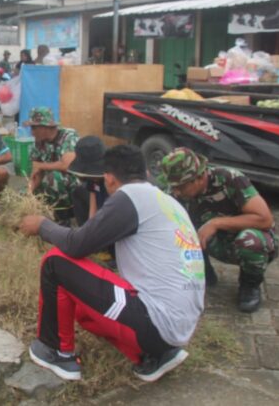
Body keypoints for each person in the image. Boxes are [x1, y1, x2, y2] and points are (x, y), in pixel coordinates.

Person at [18, 145, 204, 383]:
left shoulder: (131, 197)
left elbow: (77, 244)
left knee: (56, 262)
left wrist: (42, 225)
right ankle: (155, 356)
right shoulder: (165, 201)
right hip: (179, 325)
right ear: (146, 172)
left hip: (156, 323)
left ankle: (56, 351)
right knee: (85, 295)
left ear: (109, 179)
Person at [160, 147, 278, 313]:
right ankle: (203, 272)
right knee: (175, 230)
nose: (176, 191)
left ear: (199, 178)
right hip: (215, 241)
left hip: (252, 242)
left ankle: (249, 285)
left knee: (250, 240)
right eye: (174, 186)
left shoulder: (230, 179)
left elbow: (265, 219)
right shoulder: (177, 193)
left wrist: (216, 223)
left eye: (181, 186)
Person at [26, 107, 79, 221]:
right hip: (54, 182)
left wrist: (41, 166)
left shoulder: (68, 136)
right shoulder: (38, 142)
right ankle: (46, 215)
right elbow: (36, 171)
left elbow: (67, 166)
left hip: (74, 183)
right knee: (32, 188)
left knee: (52, 178)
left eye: (34, 127)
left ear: (44, 127)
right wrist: (29, 190)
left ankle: (63, 219)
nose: (32, 132)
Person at [67, 136, 109, 226]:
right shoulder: (92, 181)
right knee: (77, 191)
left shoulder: (113, 182)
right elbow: (93, 210)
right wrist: (89, 230)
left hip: (112, 222)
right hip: (101, 215)